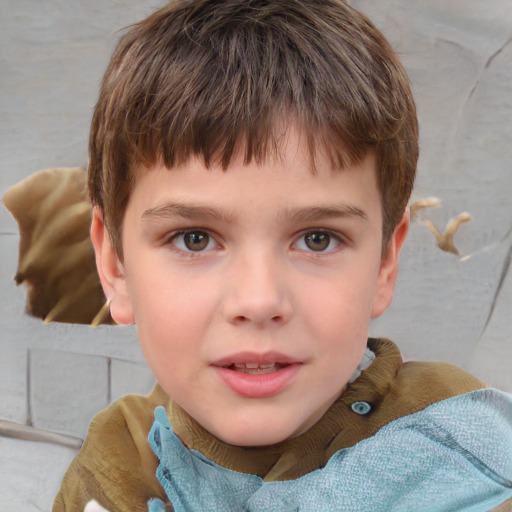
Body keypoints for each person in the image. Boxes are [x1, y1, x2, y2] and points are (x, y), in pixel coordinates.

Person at [53, 1, 512, 510]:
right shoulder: (121, 460)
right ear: (116, 265)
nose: (258, 299)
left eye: (317, 238)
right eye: (195, 239)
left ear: (384, 262)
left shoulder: (464, 447)